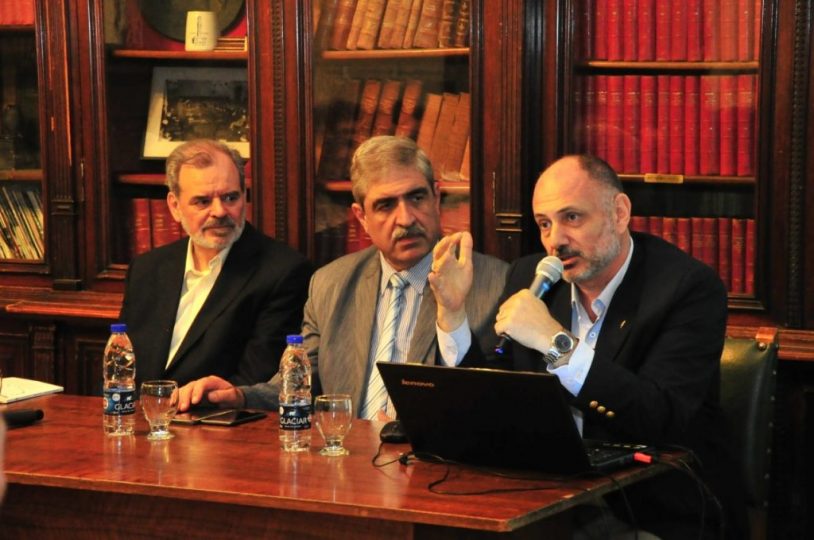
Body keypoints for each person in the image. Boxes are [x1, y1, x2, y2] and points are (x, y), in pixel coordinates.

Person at [494, 154, 745, 539]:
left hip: (652, 511)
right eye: (544, 224)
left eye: (572, 217)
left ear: (619, 213)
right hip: (543, 504)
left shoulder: (686, 288)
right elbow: (493, 385)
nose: (555, 241)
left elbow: (657, 416)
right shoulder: (530, 278)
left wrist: (556, 344)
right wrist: (453, 317)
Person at [178, 135, 508, 418]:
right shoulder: (331, 284)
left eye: (416, 197)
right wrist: (239, 396)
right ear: (361, 217)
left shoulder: (495, 283)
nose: (406, 218)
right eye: (385, 205)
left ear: (436, 198)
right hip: (344, 457)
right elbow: (299, 384)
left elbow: (490, 403)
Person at [119, 139, 312, 388]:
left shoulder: (283, 273)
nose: (220, 212)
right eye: (203, 201)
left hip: (219, 411)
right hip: (140, 411)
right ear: (175, 206)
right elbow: (123, 369)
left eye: (230, 197)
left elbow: (255, 385)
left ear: (244, 196)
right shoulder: (147, 269)